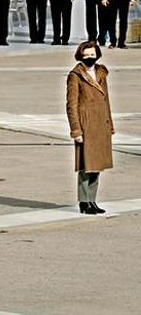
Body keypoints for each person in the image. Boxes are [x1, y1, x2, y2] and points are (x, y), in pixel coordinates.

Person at [66, 42, 114, 215]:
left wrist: (110, 125)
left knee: (97, 166)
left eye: (92, 54)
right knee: (86, 167)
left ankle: (92, 200)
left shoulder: (101, 73)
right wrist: (76, 130)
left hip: (101, 125)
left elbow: (106, 100)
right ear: (80, 56)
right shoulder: (75, 76)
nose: (90, 58)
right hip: (86, 127)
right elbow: (71, 105)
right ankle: (84, 202)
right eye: (86, 55)